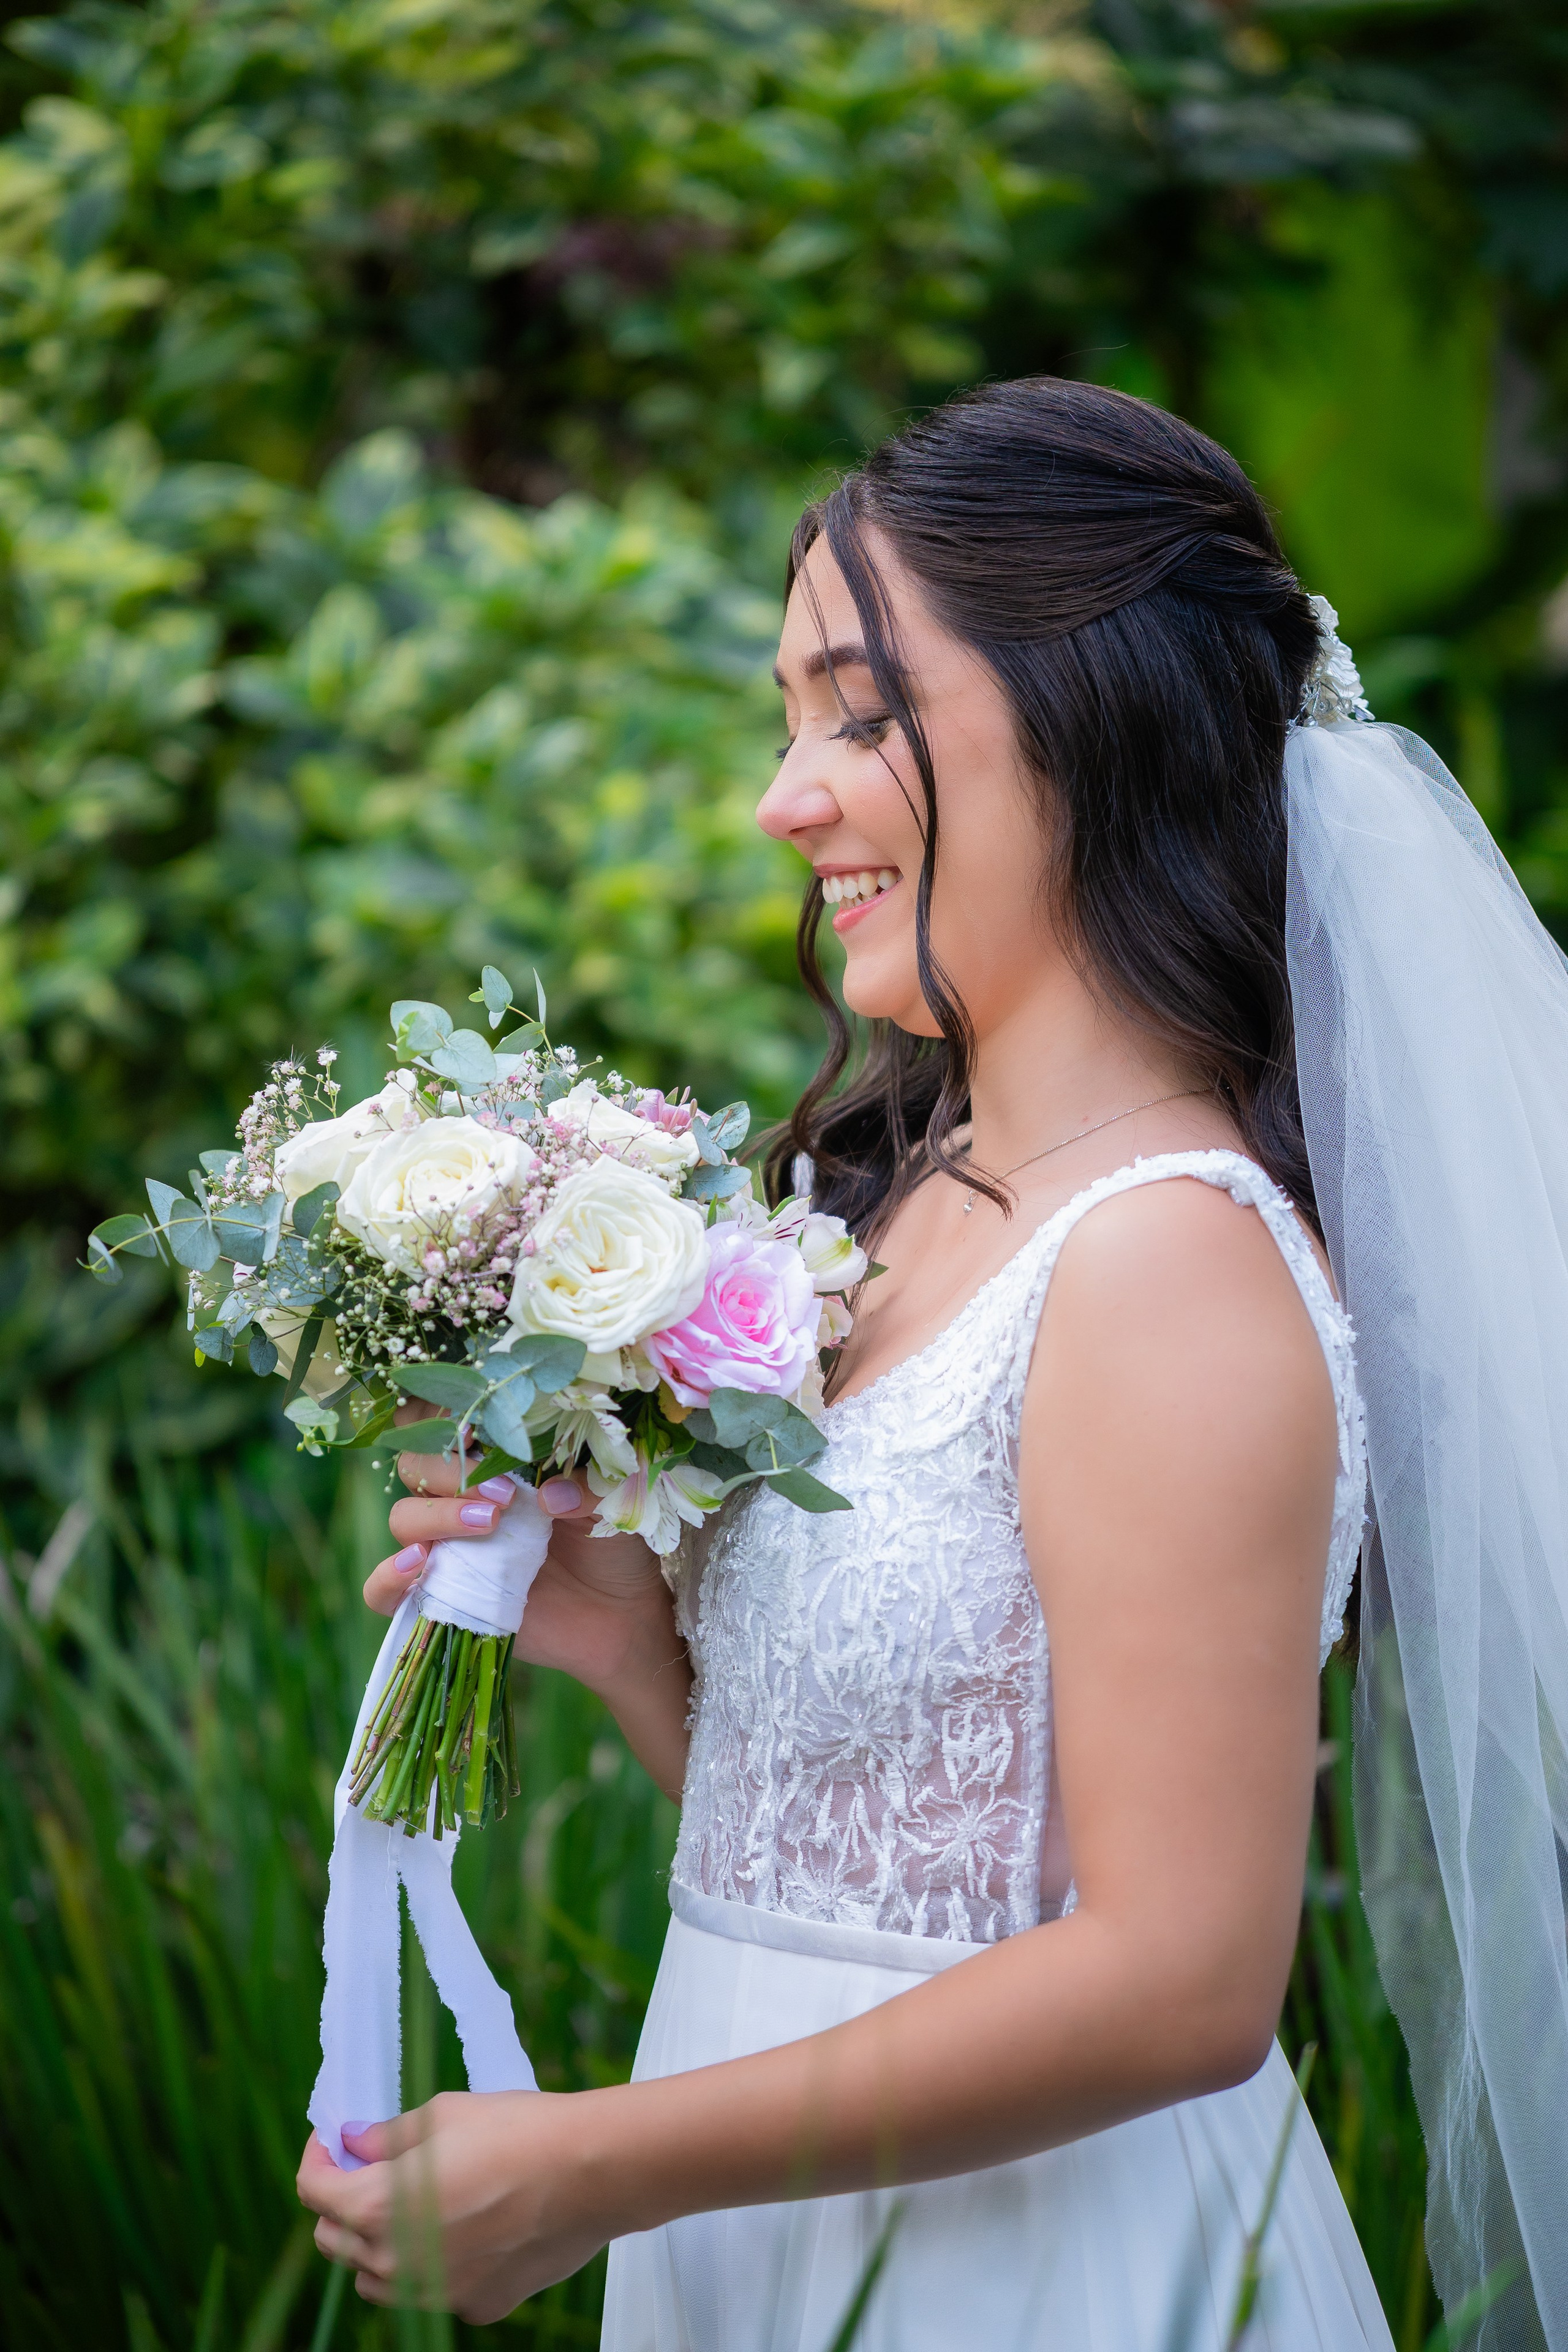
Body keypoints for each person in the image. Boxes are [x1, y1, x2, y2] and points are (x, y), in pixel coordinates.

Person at [298, 380, 1568, 2348]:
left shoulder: (1168, 1267)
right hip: (781, 2241)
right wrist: (635, 1639)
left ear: (1099, 715)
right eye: (791, 722)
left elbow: (1182, 1980)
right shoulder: (893, 1217)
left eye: (861, 713)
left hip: (1034, 2272)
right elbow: (862, 1883)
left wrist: (595, 2161)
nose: (784, 799)